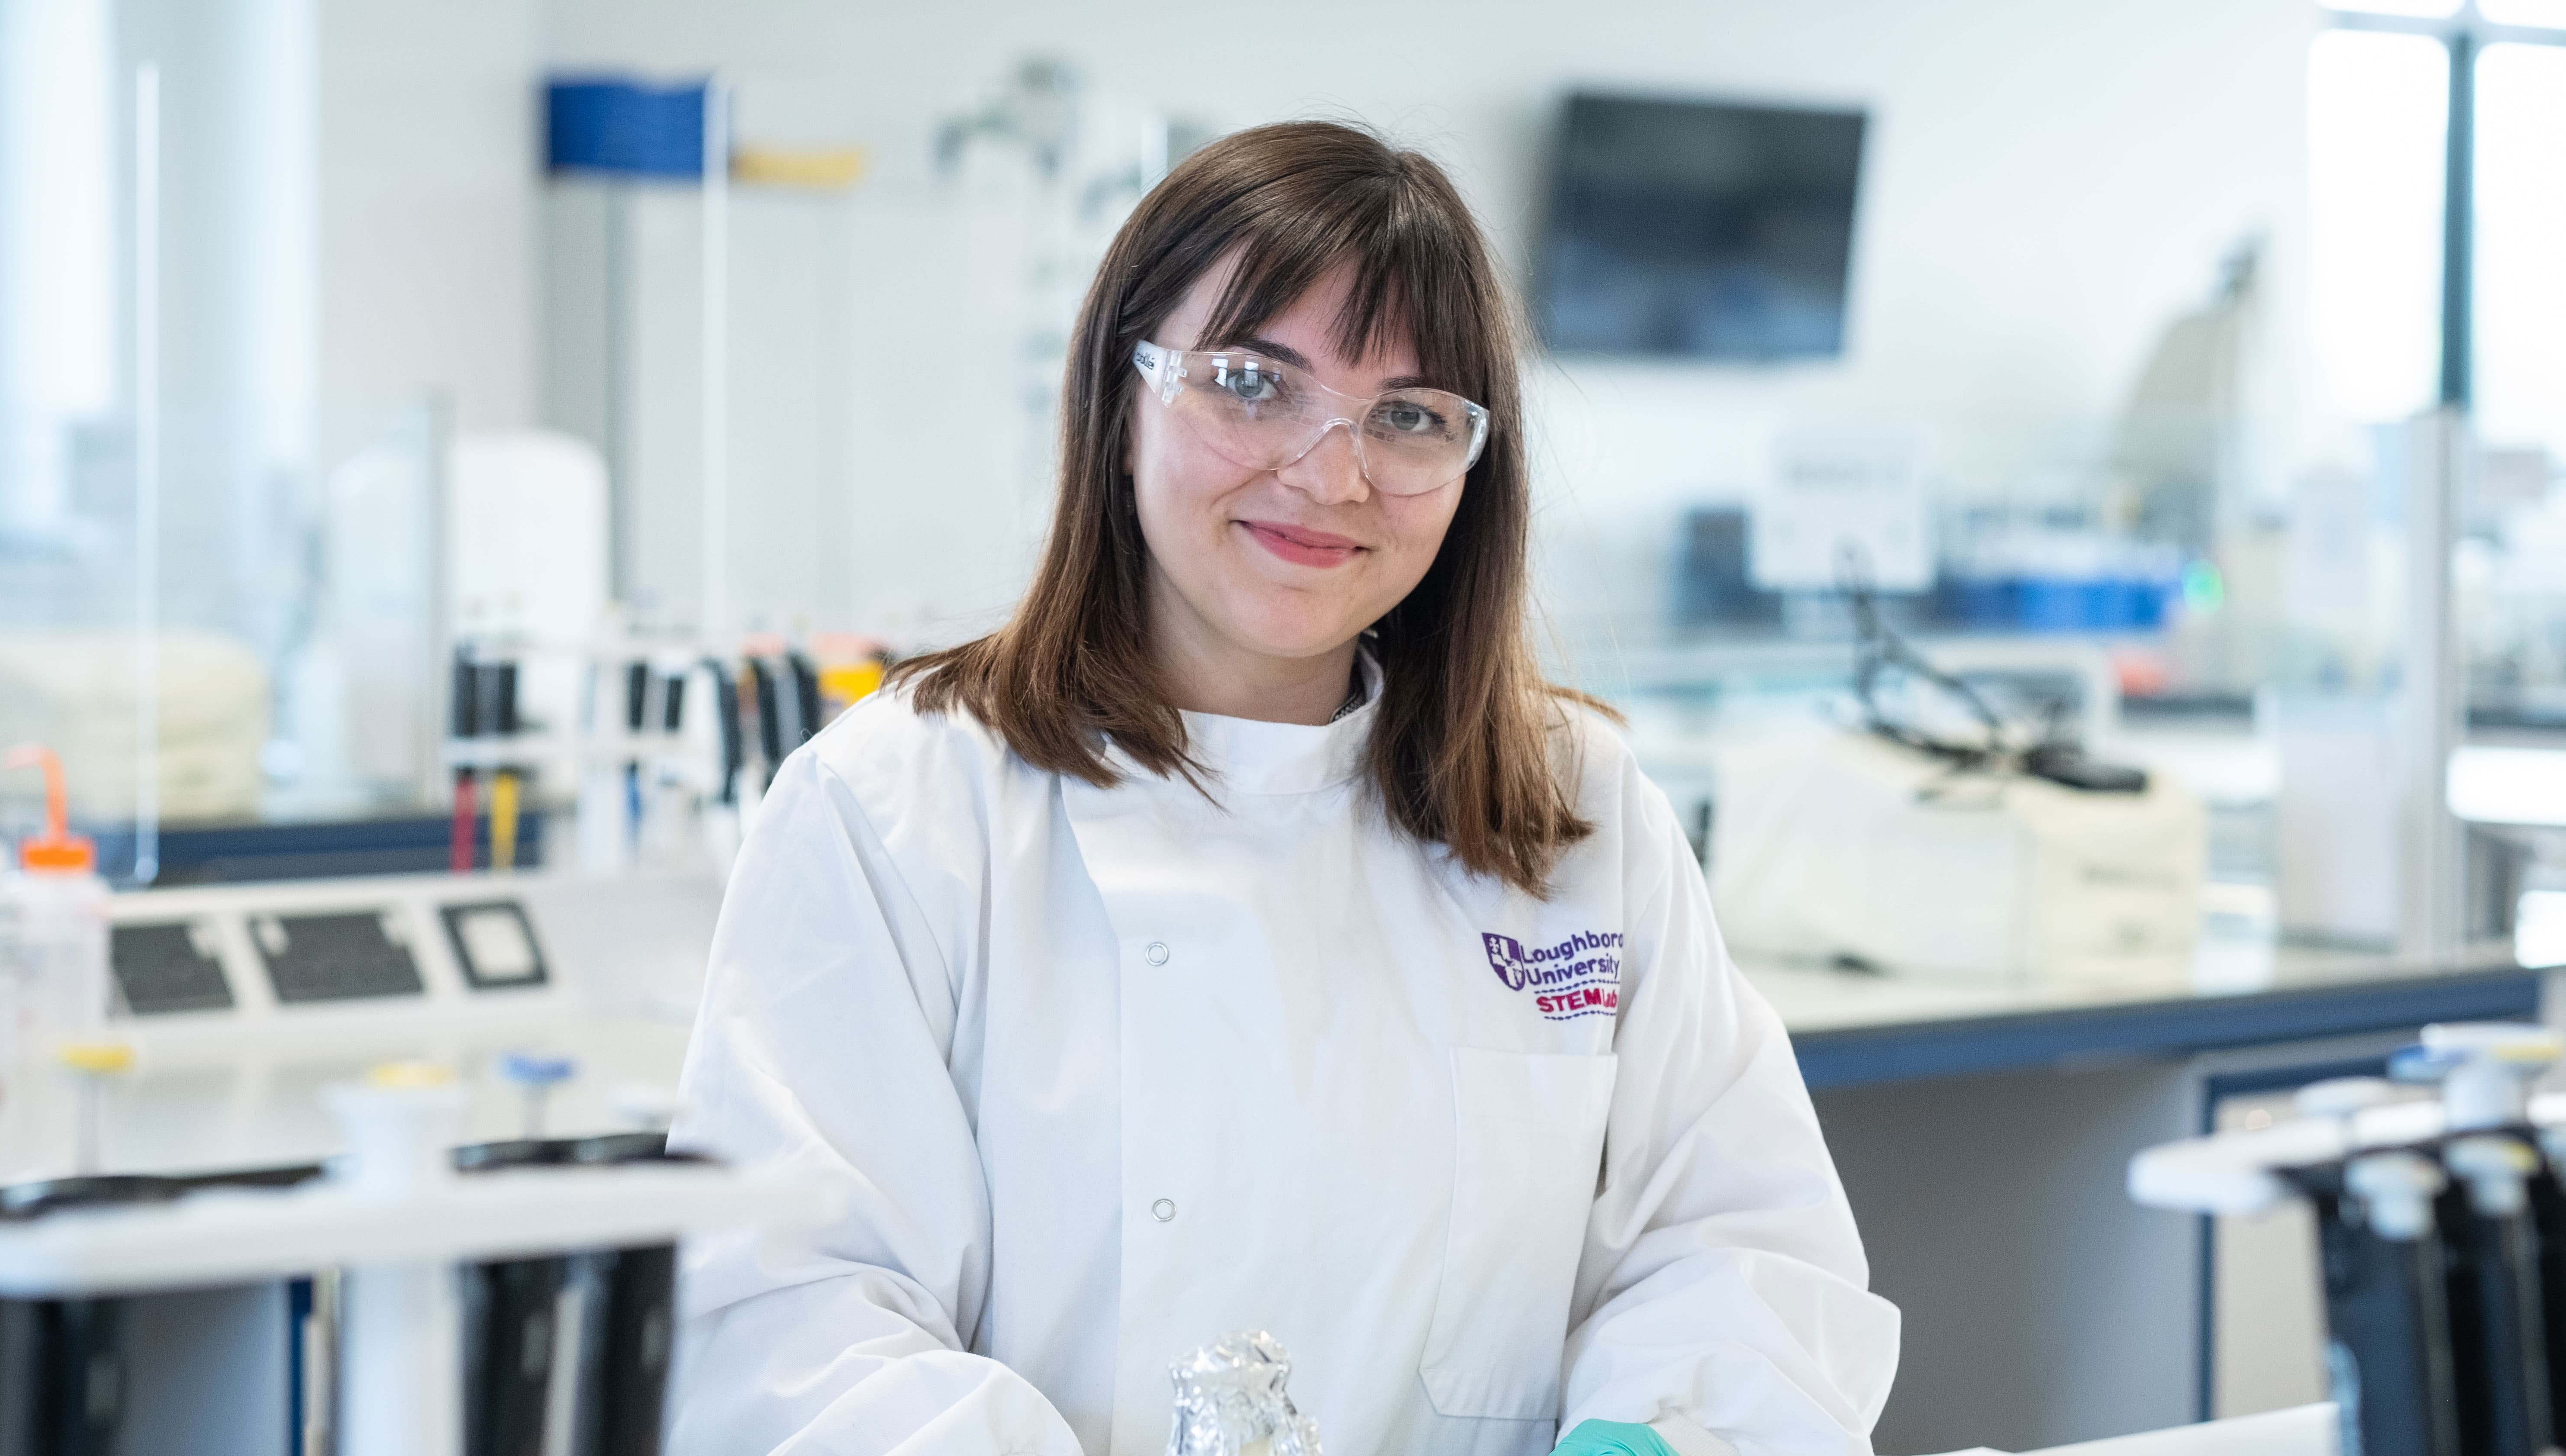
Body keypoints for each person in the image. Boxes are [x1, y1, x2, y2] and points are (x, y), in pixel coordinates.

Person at [665, 120, 1900, 1456]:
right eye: (1253, 382)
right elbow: (791, 1326)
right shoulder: (901, 807)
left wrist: (1652, 1440)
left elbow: (1740, 1252)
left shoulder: (1573, 810)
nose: (1331, 475)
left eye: (1411, 416)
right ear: (1118, 396)